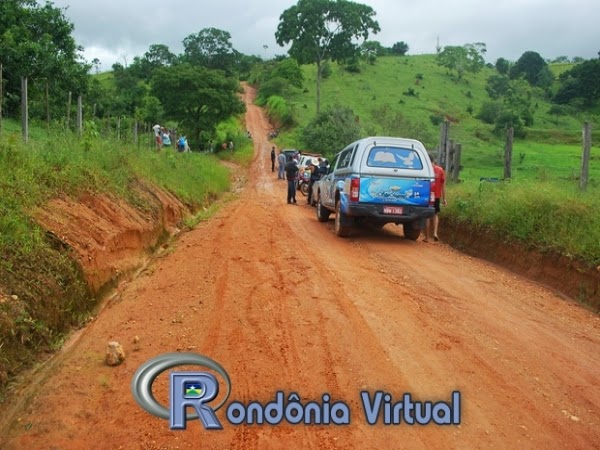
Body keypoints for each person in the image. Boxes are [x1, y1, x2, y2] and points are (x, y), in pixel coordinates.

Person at [424, 154, 447, 242]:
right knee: (435, 214)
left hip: (427, 196)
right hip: (437, 196)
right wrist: (444, 198)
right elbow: (443, 186)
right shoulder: (440, 170)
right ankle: (435, 233)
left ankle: (426, 238)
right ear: (434, 160)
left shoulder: (426, 170)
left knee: (427, 216)